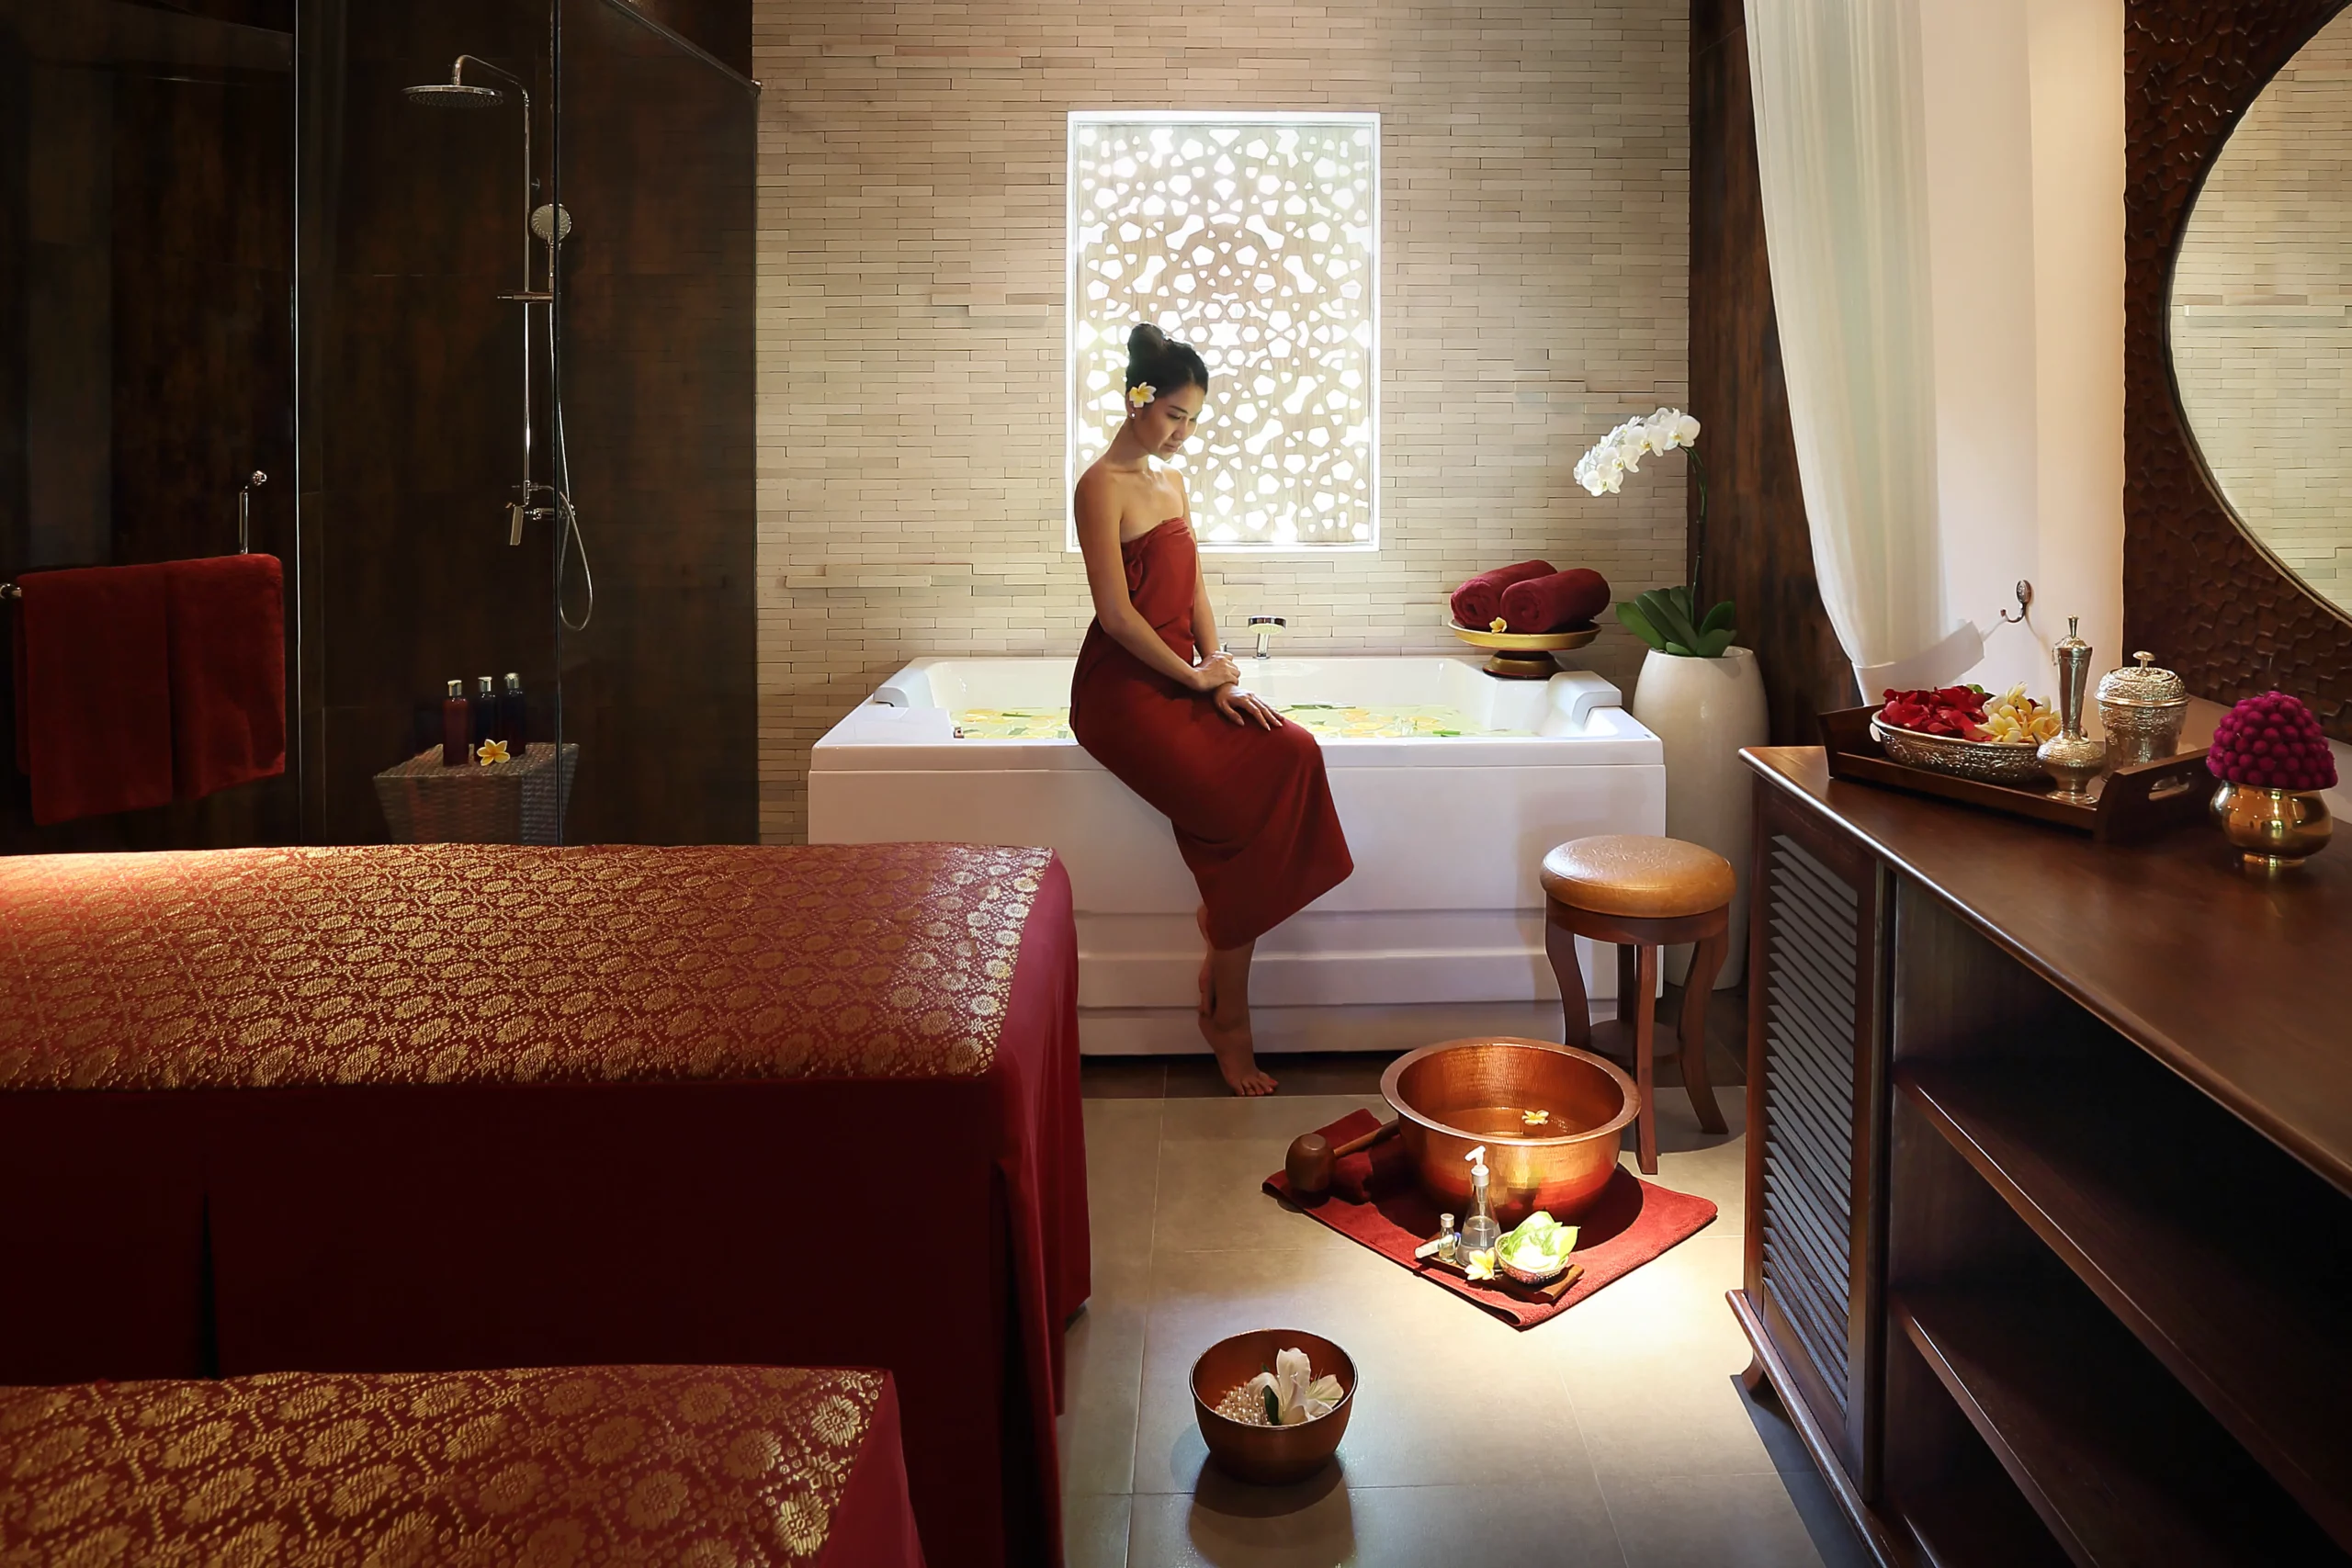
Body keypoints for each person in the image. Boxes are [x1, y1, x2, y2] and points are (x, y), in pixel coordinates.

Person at [1069, 325, 1354, 1095]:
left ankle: (1222, 937)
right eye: (1173, 415)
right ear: (1136, 401)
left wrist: (1218, 672)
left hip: (1182, 674)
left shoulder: (1171, 481)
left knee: (1293, 749)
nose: (1183, 433)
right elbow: (1117, 617)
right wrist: (1193, 680)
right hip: (1123, 691)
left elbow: (1193, 584)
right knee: (1238, 819)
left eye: (1193, 419)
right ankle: (1229, 1013)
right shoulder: (1099, 485)